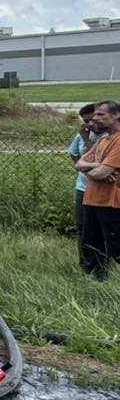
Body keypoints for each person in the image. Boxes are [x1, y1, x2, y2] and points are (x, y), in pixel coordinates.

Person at [76, 99, 120, 278]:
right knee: (90, 243)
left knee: (115, 244)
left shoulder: (118, 141)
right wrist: (97, 167)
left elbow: (102, 173)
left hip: (111, 203)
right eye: (95, 115)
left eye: (101, 114)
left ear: (116, 114)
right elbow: (79, 163)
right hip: (91, 199)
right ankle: (94, 279)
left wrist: (94, 168)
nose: (96, 119)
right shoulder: (103, 140)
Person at [69, 104, 98, 264]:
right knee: (82, 227)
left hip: (102, 189)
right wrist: (82, 169)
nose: (89, 124)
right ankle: (85, 263)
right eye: (85, 121)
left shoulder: (107, 136)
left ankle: (103, 263)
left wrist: (85, 163)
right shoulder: (81, 136)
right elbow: (74, 154)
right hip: (83, 188)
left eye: (92, 120)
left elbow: (95, 159)